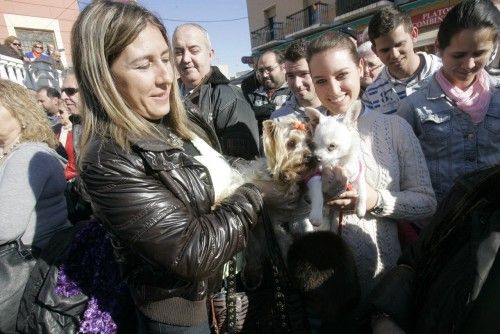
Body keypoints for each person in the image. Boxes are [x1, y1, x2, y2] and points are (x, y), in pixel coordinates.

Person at [73, 1, 263, 333]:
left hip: (223, 287)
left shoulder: (179, 122)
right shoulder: (107, 158)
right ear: (102, 74)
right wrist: (257, 189)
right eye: (144, 65)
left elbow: (221, 170)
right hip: (182, 314)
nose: (166, 76)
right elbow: (193, 251)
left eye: (164, 58)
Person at [306, 31, 436, 299]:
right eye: (321, 80)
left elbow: (426, 203)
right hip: (326, 285)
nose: (333, 90)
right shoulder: (307, 138)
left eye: (341, 75)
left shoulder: (394, 128)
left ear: (360, 68)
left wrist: (374, 199)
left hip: (384, 283)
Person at [396, 0, 500, 205]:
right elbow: (399, 169)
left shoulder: (498, 96)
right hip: (439, 225)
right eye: (458, 55)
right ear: (439, 47)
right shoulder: (413, 107)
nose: (469, 64)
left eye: (479, 54)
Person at [0, 79, 70, 333]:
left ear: (18, 111)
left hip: (26, 269)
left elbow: (5, 227)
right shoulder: (12, 153)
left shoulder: (27, 156)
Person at [172, 23, 260, 159]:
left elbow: (245, 165)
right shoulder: (167, 98)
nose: (186, 59)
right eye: (178, 52)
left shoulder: (230, 99)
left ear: (210, 54)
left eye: (194, 50)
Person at [362, 7, 442, 114]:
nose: (394, 55)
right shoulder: (370, 96)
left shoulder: (445, 71)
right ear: (375, 51)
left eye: (399, 44)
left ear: (413, 34)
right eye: (385, 50)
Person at [271, 40, 325, 122]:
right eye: (291, 76)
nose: (297, 84)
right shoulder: (278, 120)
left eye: (304, 74)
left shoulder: (337, 110)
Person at [247, 50, 292, 134]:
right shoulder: (252, 94)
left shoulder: (294, 90)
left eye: (269, 69)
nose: (264, 74)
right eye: (261, 71)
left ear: (283, 67)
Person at [55, 101, 76, 180]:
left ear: (70, 113)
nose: (57, 115)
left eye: (61, 112)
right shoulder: (55, 130)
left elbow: (75, 166)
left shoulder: (79, 132)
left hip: (72, 179)